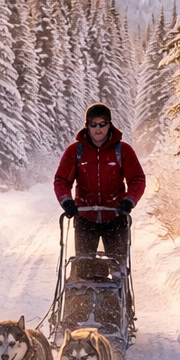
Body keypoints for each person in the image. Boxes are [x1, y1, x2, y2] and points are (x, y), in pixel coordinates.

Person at [53, 103, 146, 265]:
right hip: (85, 217)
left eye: (102, 124)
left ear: (109, 125)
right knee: (84, 267)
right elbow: (62, 180)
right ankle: (82, 287)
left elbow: (137, 179)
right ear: (87, 126)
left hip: (115, 216)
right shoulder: (75, 151)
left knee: (118, 267)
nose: (98, 129)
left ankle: (120, 289)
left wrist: (129, 200)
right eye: (93, 124)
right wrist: (67, 201)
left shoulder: (122, 150)